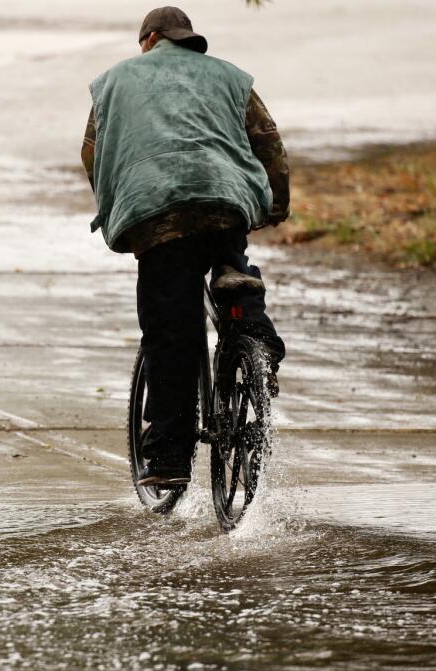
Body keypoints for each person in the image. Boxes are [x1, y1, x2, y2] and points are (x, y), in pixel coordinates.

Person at [81, 6, 290, 488]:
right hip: (225, 200)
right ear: (187, 39)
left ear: (149, 39)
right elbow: (269, 144)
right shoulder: (232, 78)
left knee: (170, 331)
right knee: (230, 265)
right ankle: (254, 338)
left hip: (157, 213)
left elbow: (92, 153)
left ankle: (170, 458)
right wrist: (275, 206)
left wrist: (118, 205)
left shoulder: (112, 83)